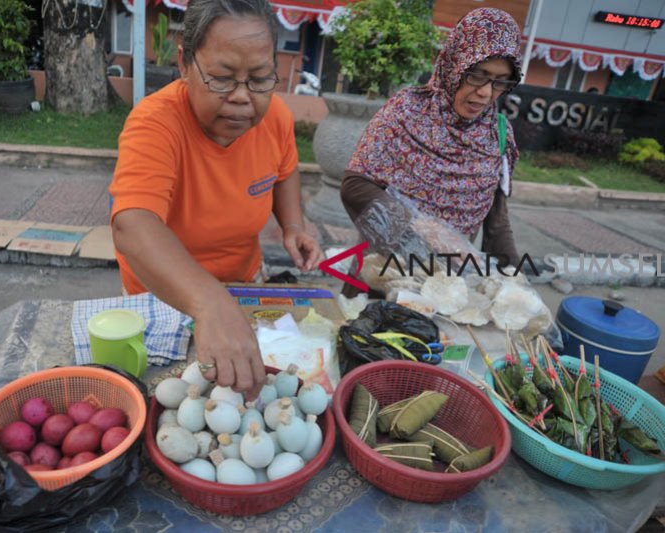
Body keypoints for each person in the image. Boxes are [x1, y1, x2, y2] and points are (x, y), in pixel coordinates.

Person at [110, 0, 322, 397]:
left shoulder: (275, 118)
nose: (243, 97)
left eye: (260, 78)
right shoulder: (155, 123)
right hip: (163, 299)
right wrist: (210, 304)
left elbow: (285, 169)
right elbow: (132, 224)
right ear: (184, 63)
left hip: (242, 287)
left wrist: (293, 225)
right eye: (222, 78)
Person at [341, 8, 523, 272]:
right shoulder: (406, 111)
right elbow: (355, 185)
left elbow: (497, 223)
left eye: (499, 82)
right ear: (454, 65)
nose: (485, 93)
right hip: (382, 275)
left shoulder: (498, 134)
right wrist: (426, 229)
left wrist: (516, 282)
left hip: (447, 289)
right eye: (477, 75)